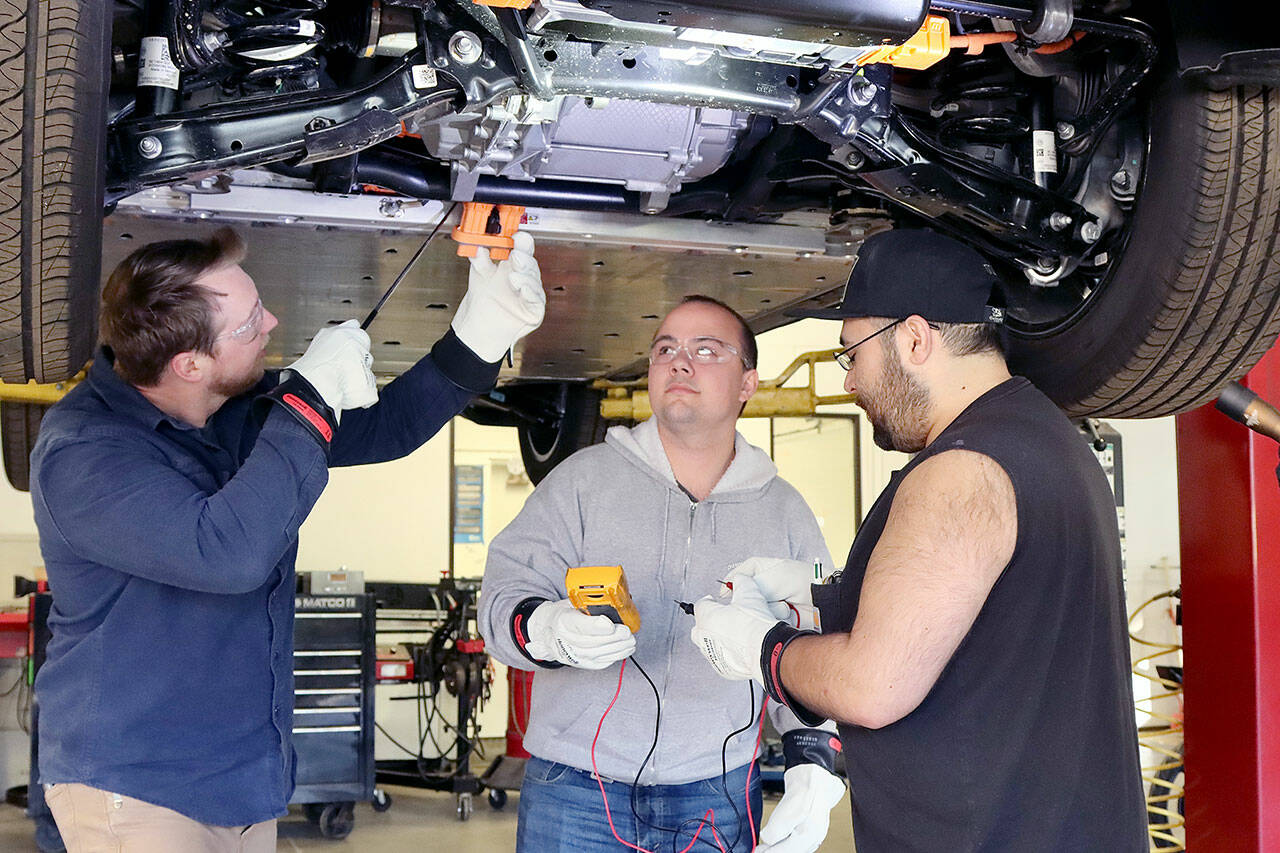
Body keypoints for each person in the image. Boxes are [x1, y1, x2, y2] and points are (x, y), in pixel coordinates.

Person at [29, 225, 545, 851]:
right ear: (189, 363)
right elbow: (228, 552)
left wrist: (481, 332)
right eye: (249, 324)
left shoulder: (230, 409)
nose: (272, 322)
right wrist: (306, 404)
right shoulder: (86, 454)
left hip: (245, 784)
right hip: (138, 787)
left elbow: (384, 428)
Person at [691, 229, 1148, 851]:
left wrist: (763, 650)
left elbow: (871, 687)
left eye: (851, 354)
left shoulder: (962, 470)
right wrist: (834, 595)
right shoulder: (1046, 441)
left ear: (913, 338)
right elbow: (990, 620)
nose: (849, 382)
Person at [478, 295, 846, 853]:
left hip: (716, 794)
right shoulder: (581, 483)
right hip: (575, 792)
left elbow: (813, 648)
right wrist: (546, 629)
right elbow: (503, 597)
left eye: (706, 350)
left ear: (747, 383)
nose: (680, 362)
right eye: (665, 349)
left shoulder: (785, 513)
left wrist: (815, 762)